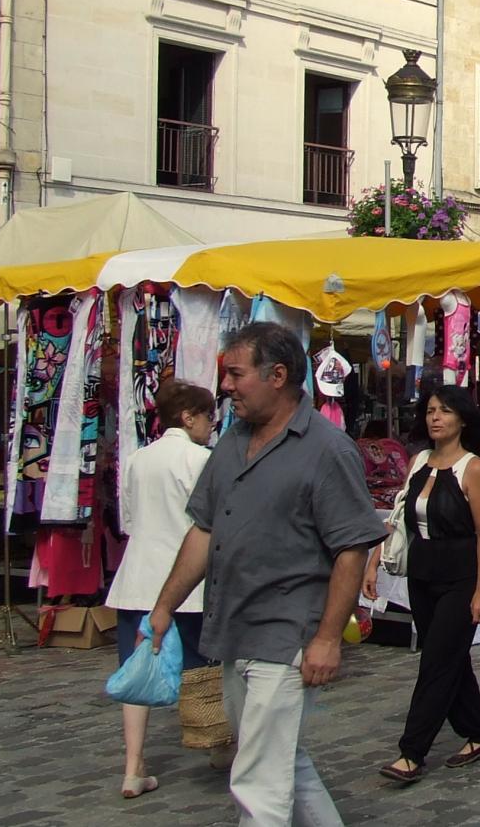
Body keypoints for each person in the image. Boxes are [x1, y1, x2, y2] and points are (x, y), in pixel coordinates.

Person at [148, 322, 386, 827]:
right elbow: (204, 530)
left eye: (236, 374)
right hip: (236, 629)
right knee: (280, 763)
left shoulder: (327, 448)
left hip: (287, 636)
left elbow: (351, 547)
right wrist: (166, 604)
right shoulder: (233, 440)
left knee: (258, 781)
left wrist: (327, 639)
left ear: (277, 376)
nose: (226, 386)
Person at [365, 385, 480, 786]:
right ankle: (478, 734)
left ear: (461, 418)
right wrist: (374, 562)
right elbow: (399, 514)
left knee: (436, 663)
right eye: (429, 411)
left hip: (460, 576)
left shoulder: (473, 468)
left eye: (443, 411)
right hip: (422, 573)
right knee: (450, 658)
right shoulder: (419, 461)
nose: (435, 418)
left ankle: (412, 751)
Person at [107, 380, 230, 799]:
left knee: (136, 672)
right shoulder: (201, 459)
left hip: (138, 578)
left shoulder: (138, 459)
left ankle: (133, 765)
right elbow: (214, 522)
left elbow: (128, 517)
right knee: (205, 670)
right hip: (188, 581)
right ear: (189, 416)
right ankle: (218, 745)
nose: (212, 426)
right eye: (209, 418)